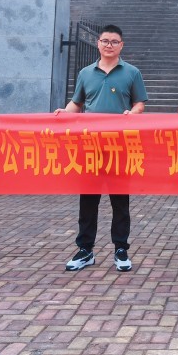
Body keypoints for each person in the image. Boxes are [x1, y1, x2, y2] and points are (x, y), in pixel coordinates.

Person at [55, 24, 147, 273]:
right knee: (88, 200)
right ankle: (85, 250)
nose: (109, 45)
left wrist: (133, 113)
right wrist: (63, 113)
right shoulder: (86, 73)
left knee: (120, 201)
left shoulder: (132, 72)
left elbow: (139, 103)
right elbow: (77, 104)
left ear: (121, 45)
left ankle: (121, 249)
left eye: (114, 41)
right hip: (90, 146)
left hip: (120, 146)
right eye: (105, 41)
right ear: (98, 43)